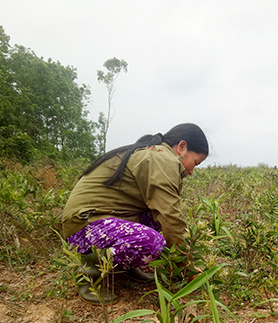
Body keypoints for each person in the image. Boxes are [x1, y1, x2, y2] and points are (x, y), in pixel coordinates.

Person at [62, 123, 209, 303]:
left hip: (102, 219)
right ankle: (88, 270)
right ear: (182, 147)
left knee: (155, 218)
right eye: (195, 162)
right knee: (152, 242)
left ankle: (126, 266)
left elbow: (164, 214)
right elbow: (171, 218)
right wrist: (187, 267)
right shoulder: (163, 160)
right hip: (85, 228)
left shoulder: (155, 155)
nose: (193, 171)